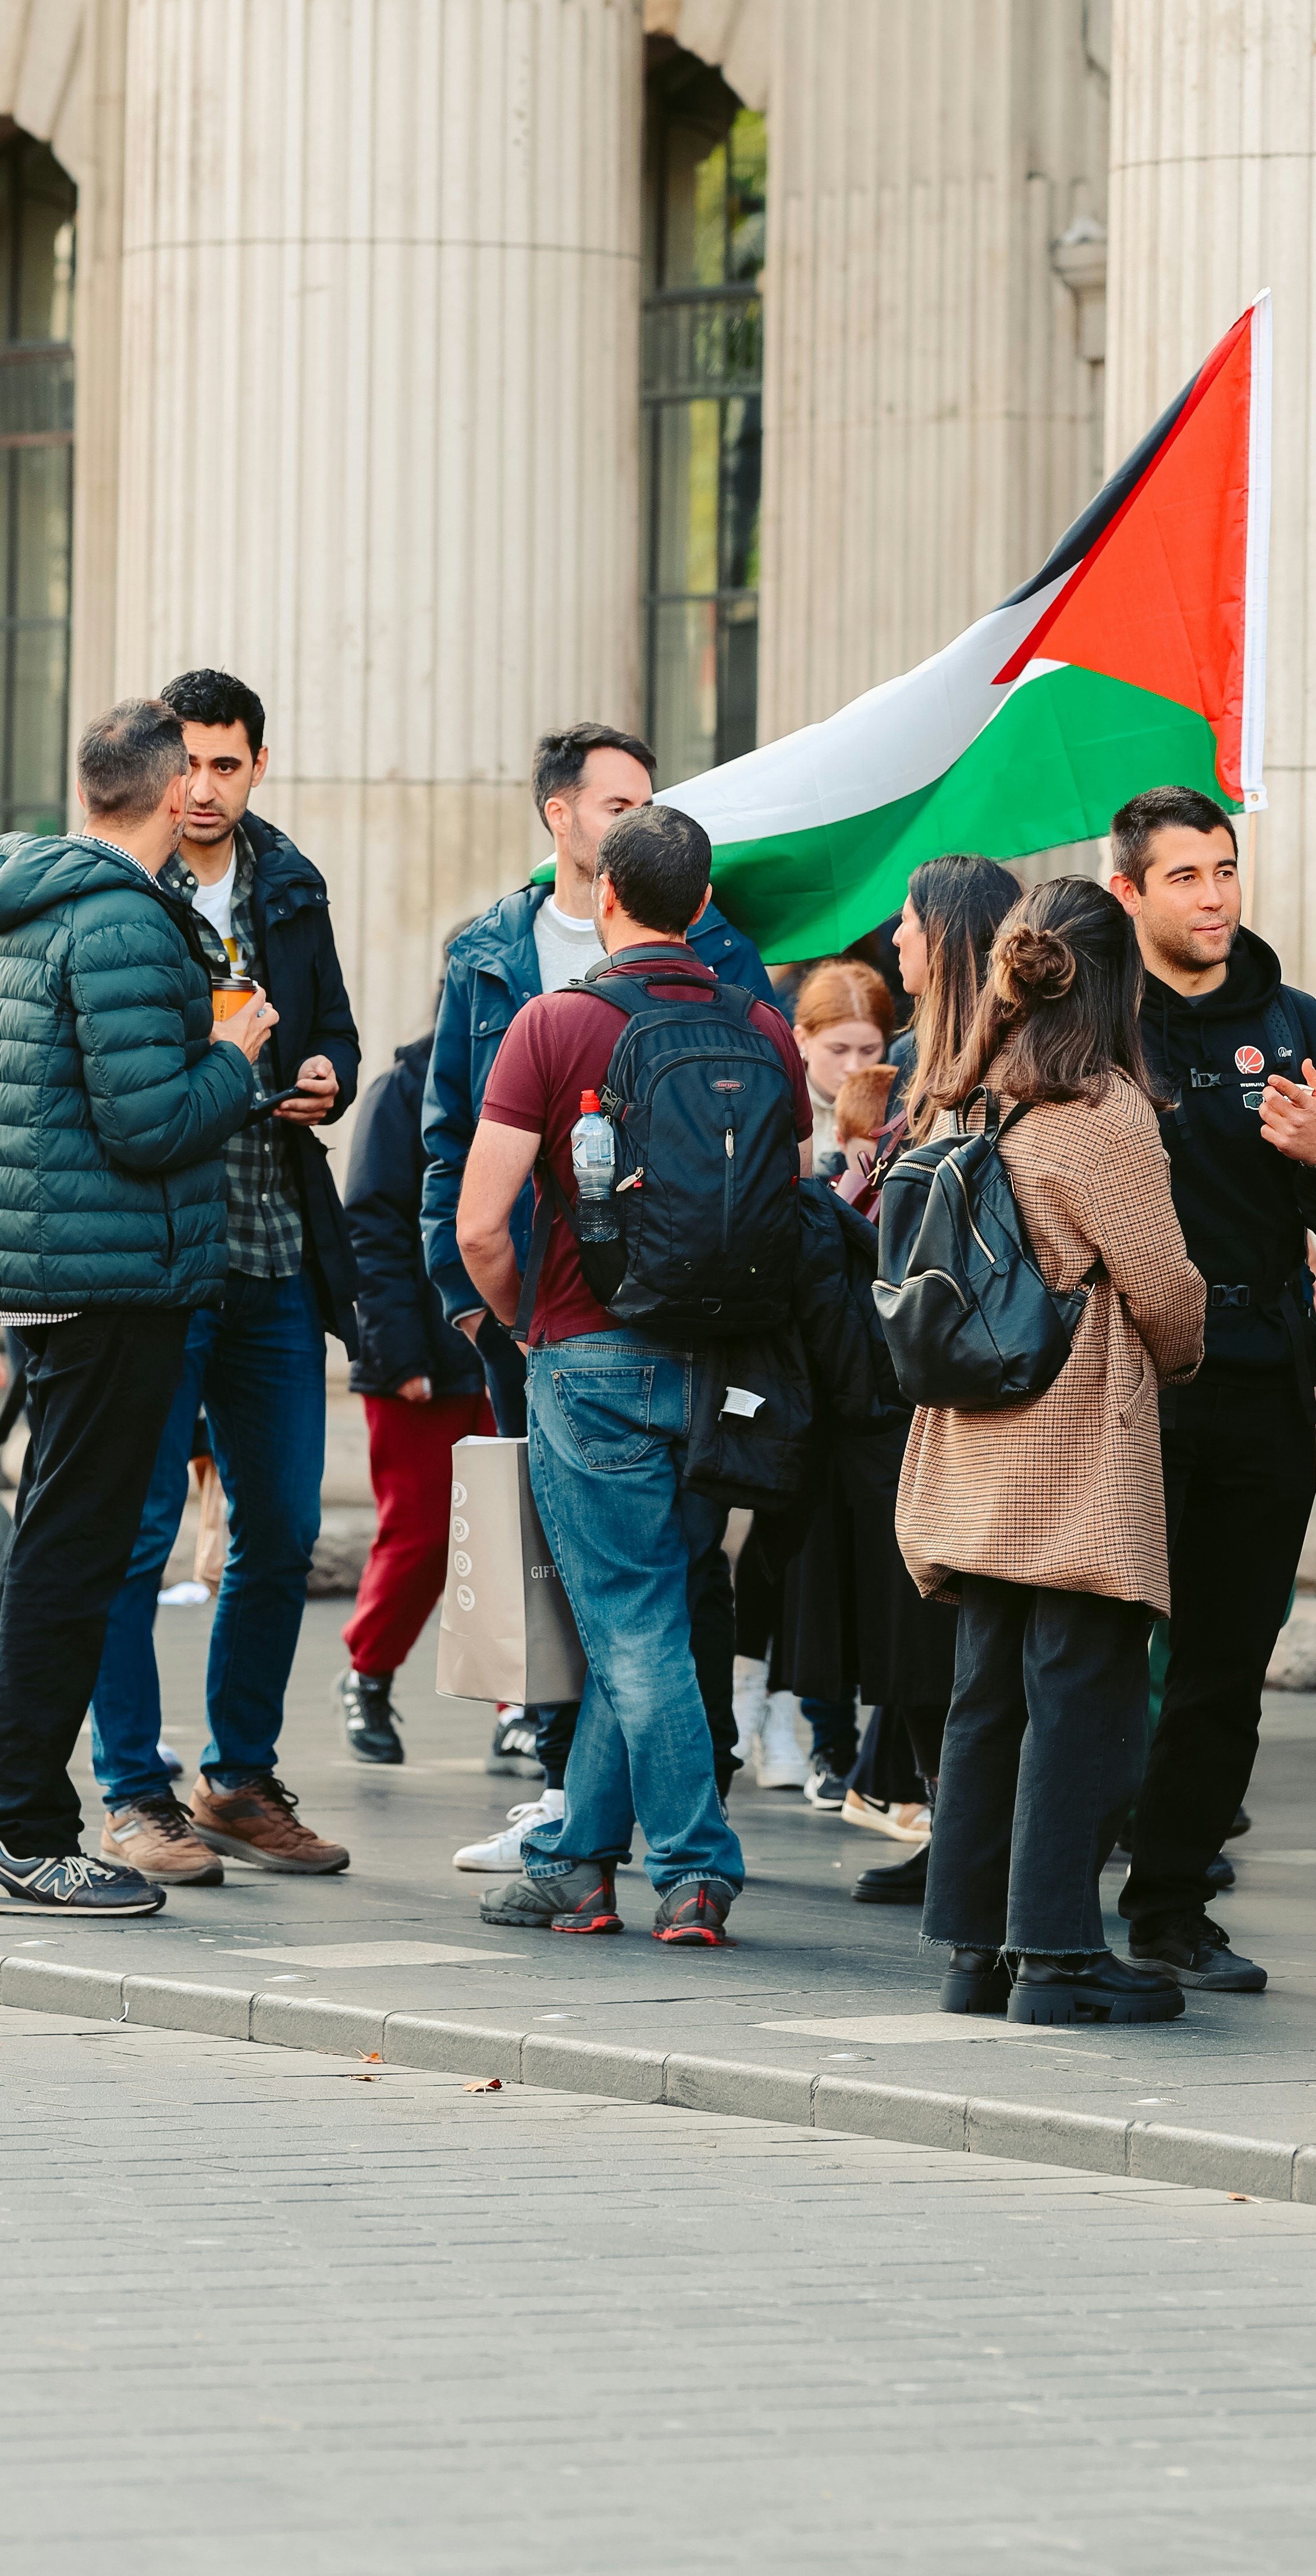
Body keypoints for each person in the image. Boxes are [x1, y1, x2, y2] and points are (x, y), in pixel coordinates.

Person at [454, 800, 808, 1944]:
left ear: (605, 893)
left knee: (634, 1617)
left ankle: (698, 1867)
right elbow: (787, 1201)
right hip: (723, 1363)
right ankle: (573, 1861)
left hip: (589, 1352)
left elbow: (478, 1227)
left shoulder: (554, 1026)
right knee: (646, 1607)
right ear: (703, 905)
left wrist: (527, 1326)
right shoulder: (765, 1024)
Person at [0, 700, 277, 1916]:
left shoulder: (16, 897)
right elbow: (147, 1122)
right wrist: (240, 1054)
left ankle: (19, 1825)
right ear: (151, 791)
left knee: (61, 1542)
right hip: (107, 1278)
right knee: (74, 1554)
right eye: (187, 770)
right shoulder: (124, 919)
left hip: (43, 1267)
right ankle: (24, 1832)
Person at [422, 721, 769, 1787]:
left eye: (648, 801)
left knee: (669, 1572)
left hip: (692, 1322)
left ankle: (672, 1791)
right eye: (618, 803)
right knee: (570, 1561)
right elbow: (449, 1149)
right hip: (539, 1319)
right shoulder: (490, 957)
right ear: (560, 818)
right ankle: (580, 1794)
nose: (641, 818)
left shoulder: (719, 955)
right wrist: (490, 1310)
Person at [1099, 786, 1316, 1992]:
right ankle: (1049, 1894)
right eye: (1186, 875)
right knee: (1103, 1655)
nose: (1216, 894)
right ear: (1128, 891)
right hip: (1124, 1388)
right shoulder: (1096, 1024)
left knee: (1229, 1661)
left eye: (1225, 869)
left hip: (1259, 1384)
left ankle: (1173, 1906)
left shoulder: (1293, 1022)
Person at [898, 878, 1207, 2028]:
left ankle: (973, 1951)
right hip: (1072, 1445)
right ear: (1118, 978)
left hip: (975, 1445)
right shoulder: (1105, 1110)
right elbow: (1166, 1289)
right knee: (1084, 1696)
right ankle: (1062, 1958)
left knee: (987, 1695)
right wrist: (1180, 1355)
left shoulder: (977, 1096)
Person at [85, 669, 362, 1884]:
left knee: (284, 1523)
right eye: (188, 762)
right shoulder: (114, 888)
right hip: (155, 1255)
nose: (204, 788)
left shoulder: (290, 888)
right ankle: (133, 1791)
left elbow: (337, 1031)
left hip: (271, 1251)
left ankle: (238, 1776)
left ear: (258, 767)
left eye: (228, 765)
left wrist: (322, 1077)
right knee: (135, 1530)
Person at [822, 853, 1023, 1902]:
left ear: (947, 936)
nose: (893, 940)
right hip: (894, 1377)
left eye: (906, 922)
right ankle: (948, 1823)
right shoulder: (910, 1060)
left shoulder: (1004, 1061)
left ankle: (979, 1842)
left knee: (959, 1626)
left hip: (972, 1374)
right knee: (908, 1623)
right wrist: (850, 1162)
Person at [335, 968, 495, 1768]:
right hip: (417, 1360)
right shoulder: (401, 1090)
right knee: (421, 1534)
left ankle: (520, 1699)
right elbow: (371, 1226)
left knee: (512, 1533)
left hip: (506, 1350)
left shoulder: (527, 1075)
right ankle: (368, 1674)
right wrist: (396, 1353)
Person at [792, 961, 893, 1165]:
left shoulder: (898, 1106)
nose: (854, 1067)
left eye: (869, 1050)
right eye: (838, 1050)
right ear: (802, 1039)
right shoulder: (776, 1103)